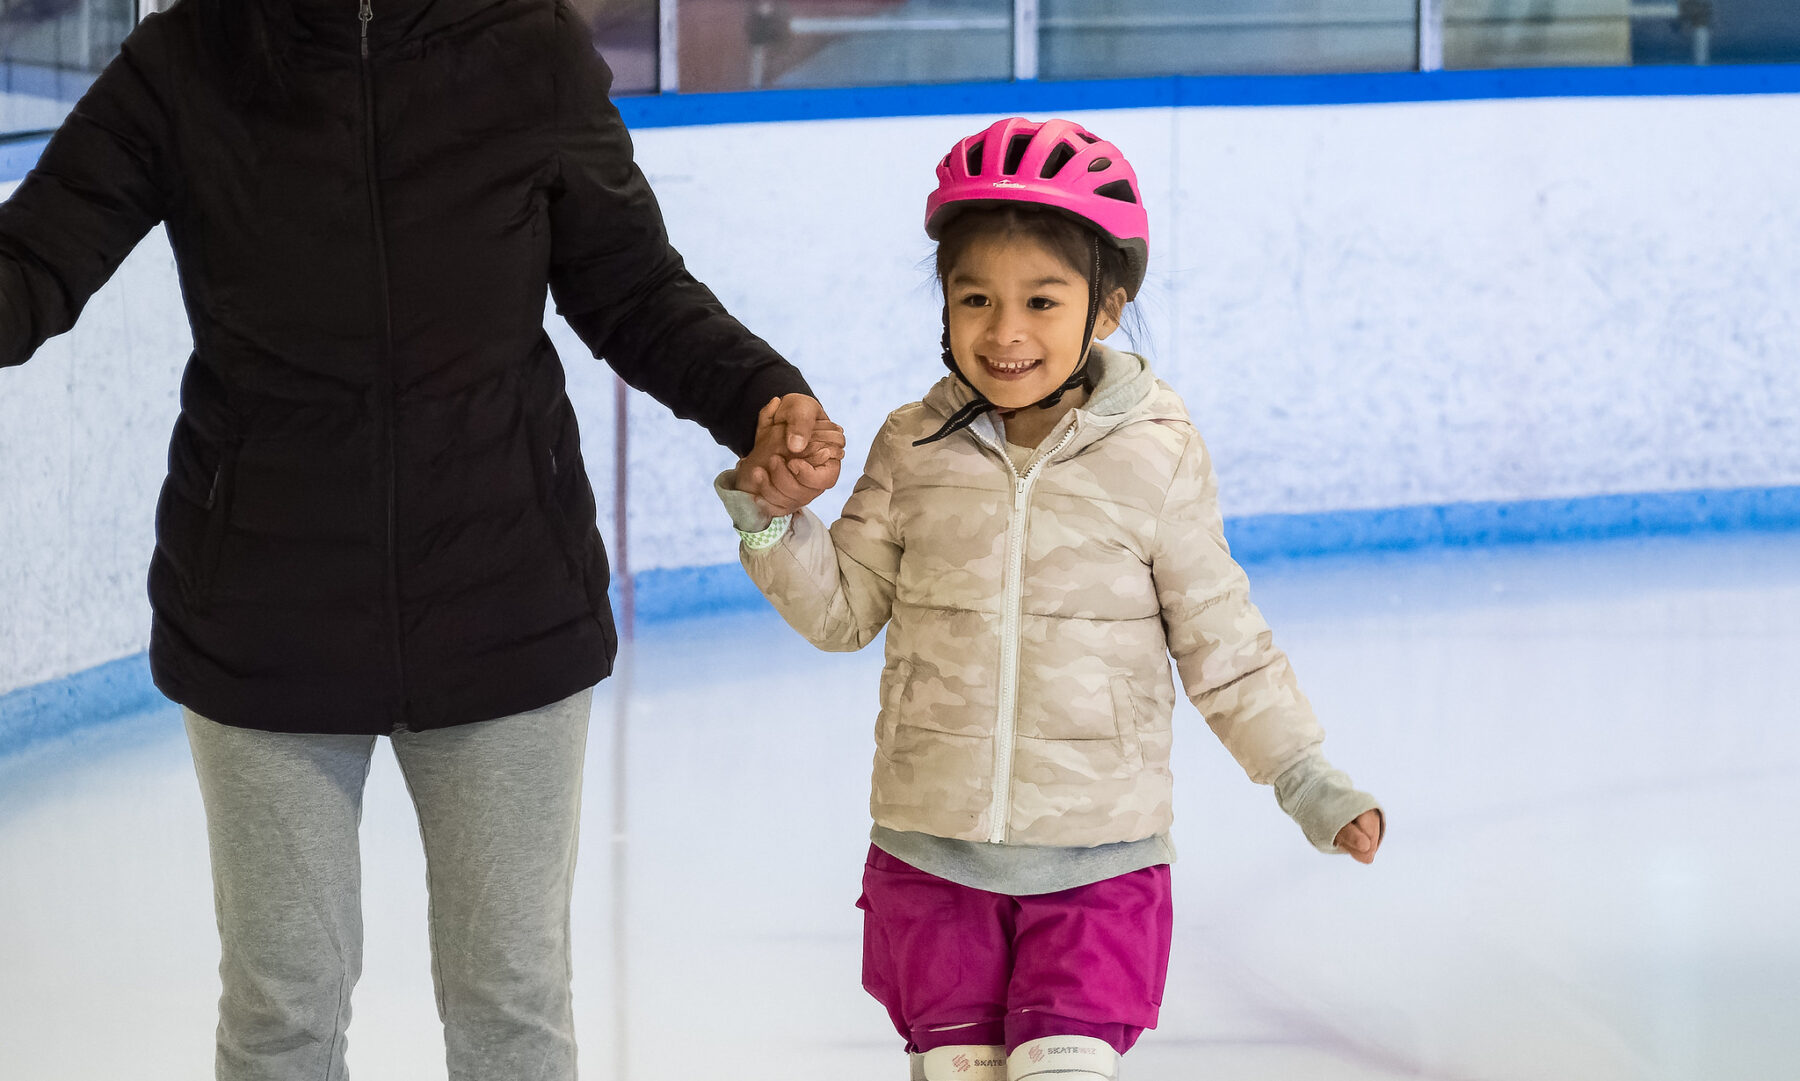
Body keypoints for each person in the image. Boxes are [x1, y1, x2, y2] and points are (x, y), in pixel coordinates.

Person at [0, 0, 842, 1078]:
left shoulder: (528, 46)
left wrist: (757, 395)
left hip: (506, 597)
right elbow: (32, 264)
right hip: (264, 609)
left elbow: (632, 286)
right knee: (282, 1016)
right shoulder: (192, 55)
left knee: (510, 1010)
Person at [716, 117, 1384, 1081]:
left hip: (1098, 862)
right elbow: (844, 611)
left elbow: (1223, 641)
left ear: (1107, 308)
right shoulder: (912, 446)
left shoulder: (1157, 453)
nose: (1005, 331)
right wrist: (772, 522)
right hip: (931, 857)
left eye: (1041, 299)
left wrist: (1306, 778)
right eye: (975, 298)